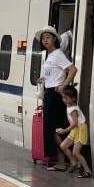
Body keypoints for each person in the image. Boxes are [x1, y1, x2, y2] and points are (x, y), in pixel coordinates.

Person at [34, 25, 77, 171]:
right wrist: (43, 78)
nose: (45, 40)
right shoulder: (50, 55)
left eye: (48, 37)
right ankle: (63, 161)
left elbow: (72, 69)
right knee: (54, 129)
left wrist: (63, 85)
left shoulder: (58, 54)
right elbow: (54, 73)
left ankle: (68, 160)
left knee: (54, 129)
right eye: (43, 38)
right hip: (50, 93)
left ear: (54, 39)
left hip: (55, 95)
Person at [55, 85, 92, 178]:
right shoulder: (69, 104)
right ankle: (74, 163)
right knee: (63, 146)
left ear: (73, 98)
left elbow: (75, 123)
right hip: (75, 129)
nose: (64, 100)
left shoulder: (73, 110)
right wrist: (58, 90)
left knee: (76, 152)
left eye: (66, 98)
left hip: (80, 129)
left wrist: (64, 130)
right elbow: (64, 94)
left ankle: (87, 171)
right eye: (63, 97)